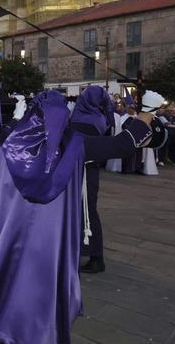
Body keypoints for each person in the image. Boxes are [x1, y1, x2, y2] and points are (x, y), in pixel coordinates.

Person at [0, 90, 154, 344]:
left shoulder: (11, 143)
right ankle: (25, 326)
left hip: (9, 230)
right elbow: (121, 144)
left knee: (1, 267)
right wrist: (145, 116)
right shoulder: (75, 145)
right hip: (47, 235)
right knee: (34, 278)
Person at [69, 86, 115, 274]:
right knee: (86, 210)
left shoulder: (83, 120)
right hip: (90, 168)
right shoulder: (101, 118)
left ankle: (95, 257)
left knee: (86, 210)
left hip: (82, 169)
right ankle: (89, 253)